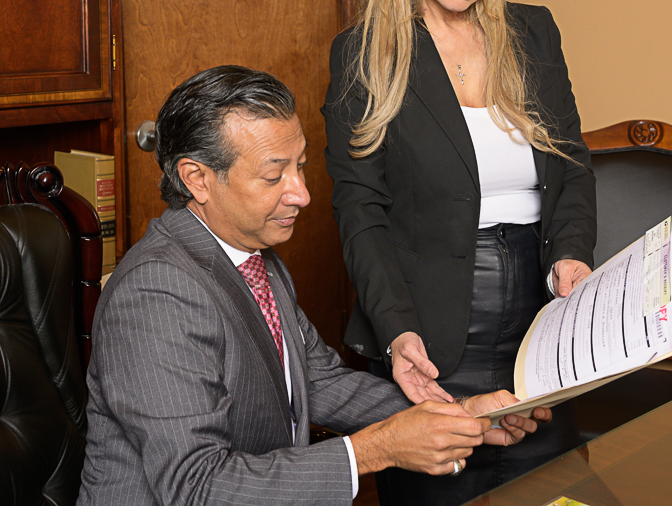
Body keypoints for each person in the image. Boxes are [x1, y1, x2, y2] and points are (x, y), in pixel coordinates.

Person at [77, 65, 551, 505]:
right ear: (196, 179)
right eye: (273, 175)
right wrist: (375, 450)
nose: (301, 194)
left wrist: (460, 415)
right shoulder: (156, 293)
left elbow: (317, 380)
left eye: (299, 166)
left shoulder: (255, 258)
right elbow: (197, 488)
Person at [321, 0, 597, 505]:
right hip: (429, 332)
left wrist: (571, 253)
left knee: (554, 493)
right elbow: (361, 210)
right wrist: (398, 331)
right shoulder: (365, 52)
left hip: (540, 328)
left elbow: (570, 165)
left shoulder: (534, 33)